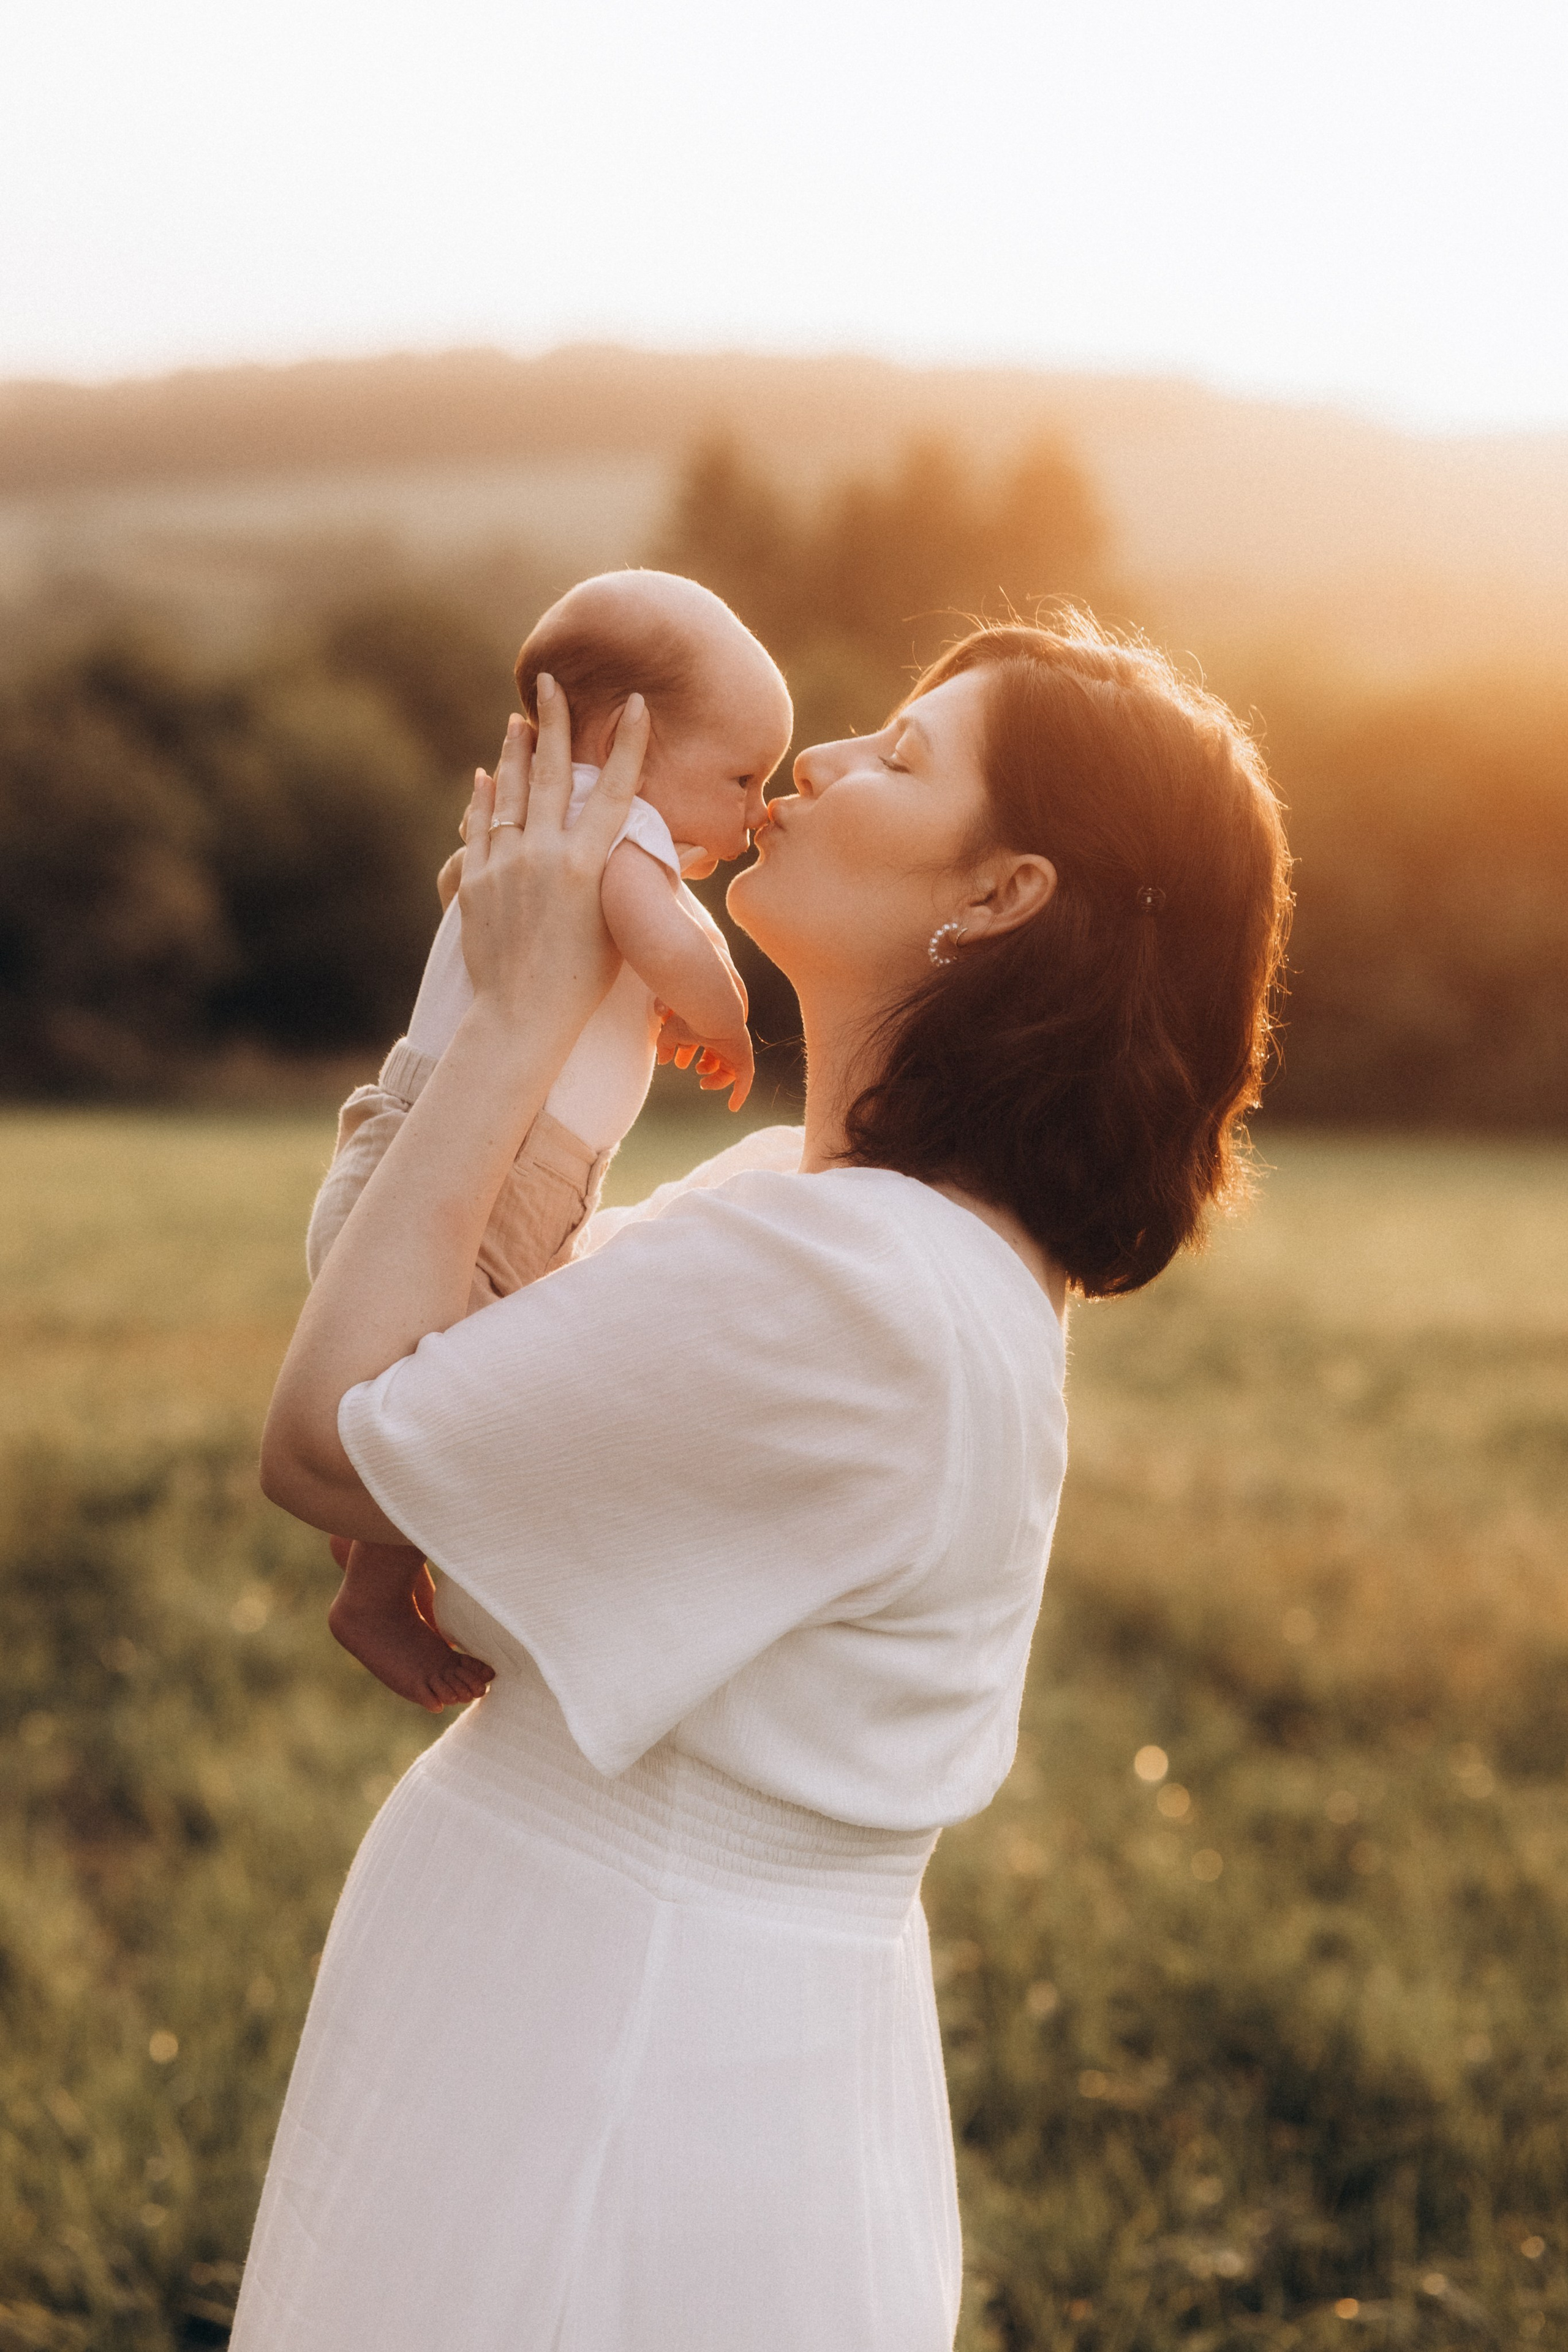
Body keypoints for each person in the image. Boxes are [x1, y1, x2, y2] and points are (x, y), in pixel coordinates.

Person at [238, 614, 1291, 2352]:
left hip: (627, 2043)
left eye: (903, 755)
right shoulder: (808, 1219)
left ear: (1003, 896)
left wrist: (516, 1015)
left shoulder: (864, 1283)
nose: (821, 763)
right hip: (573, 1980)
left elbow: (329, 1439)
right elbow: (432, 1406)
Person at [321, 570, 794, 1711]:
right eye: (740, 778)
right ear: (630, 736)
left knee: (432, 1391)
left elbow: (458, 887)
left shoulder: (541, 822)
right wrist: (720, 1007)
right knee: (453, 1404)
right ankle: (376, 1587)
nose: (755, 813)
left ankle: (375, 1554)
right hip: (489, 1173)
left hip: (436, 1141)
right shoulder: (610, 822)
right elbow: (659, 929)